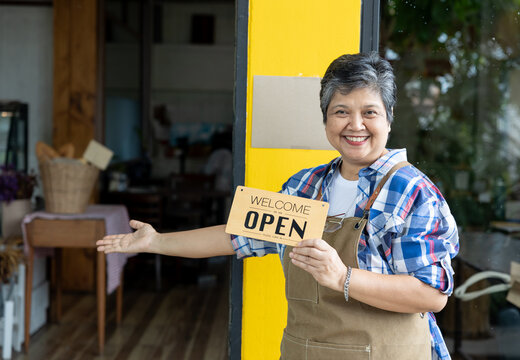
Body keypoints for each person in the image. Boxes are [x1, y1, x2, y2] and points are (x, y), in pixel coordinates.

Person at [97, 52, 459, 360]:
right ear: (325, 119)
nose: (355, 125)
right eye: (341, 111)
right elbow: (237, 237)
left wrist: (343, 277)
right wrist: (156, 241)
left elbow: (431, 294)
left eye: (369, 112)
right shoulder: (305, 187)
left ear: (389, 118)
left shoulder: (412, 192)